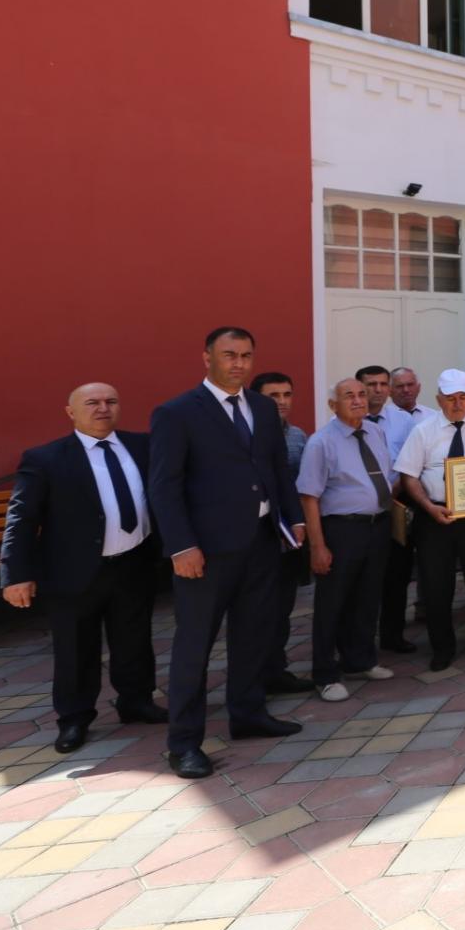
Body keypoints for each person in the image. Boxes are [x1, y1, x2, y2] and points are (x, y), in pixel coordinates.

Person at [150, 327, 304, 779]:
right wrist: (182, 546)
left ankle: (248, 713)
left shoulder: (262, 407)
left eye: (246, 355)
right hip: (206, 552)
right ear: (207, 358)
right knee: (194, 647)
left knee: (253, 634)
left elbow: (277, 467)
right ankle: (184, 743)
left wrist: (292, 517)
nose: (239, 363)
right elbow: (164, 486)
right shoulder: (177, 413)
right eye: (229, 355)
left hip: (260, 541)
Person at [1, 383, 165, 753]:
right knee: (76, 648)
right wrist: (16, 574)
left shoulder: (143, 446)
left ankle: (136, 701)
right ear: (71, 412)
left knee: (134, 640)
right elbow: (22, 518)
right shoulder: (46, 458)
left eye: (111, 401)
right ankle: (74, 718)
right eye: (92, 403)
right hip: (73, 572)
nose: (103, 408)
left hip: (134, 562)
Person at [394, 369, 465, 671]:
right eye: (451, 398)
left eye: (463, 397)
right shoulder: (423, 431)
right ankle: (442, 648)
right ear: (438, 399)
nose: (458, 404)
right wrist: (428, 507)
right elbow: (409, 476)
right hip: (436, 518)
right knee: (436, 585)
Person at [298, 378, 398, 703]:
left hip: (377, 526)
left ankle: (360, 659)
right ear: (333, 405)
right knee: (333, 602)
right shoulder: (321, 442)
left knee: (367, 597)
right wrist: (318, 546)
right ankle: (325, 674)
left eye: (361, 394)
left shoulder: (375, 431)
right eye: (349, 396)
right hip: (342, 530)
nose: (358, 401)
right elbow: (309, 496)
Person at [250, 371, 314, 697]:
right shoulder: (246, 436)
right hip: (255, 538)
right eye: (273, 396)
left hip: (289, 539)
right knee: (255, 611)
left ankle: (276, 670)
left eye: (287, 394)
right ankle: (252, 677)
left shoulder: (299, 437)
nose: (282, 402)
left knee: (283, 608)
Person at [378, 366, 429, 655]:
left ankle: (411, 620)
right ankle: (384, 631)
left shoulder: (424, 419)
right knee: (390, 571)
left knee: (420, 563)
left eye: (410, 385)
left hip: (418, 499)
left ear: (418, 387)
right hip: (385, 503)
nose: (406, 390)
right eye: (399, 386)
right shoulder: (371, 422)